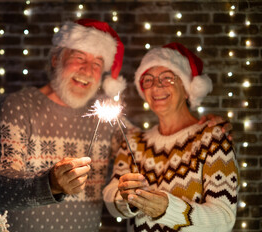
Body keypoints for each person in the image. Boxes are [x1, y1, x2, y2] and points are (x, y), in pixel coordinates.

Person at [0, 18, 128, 232]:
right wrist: (50, 183)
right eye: (79, 57)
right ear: (56, 59)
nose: (87, 70)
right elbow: (1, 191)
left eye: (97, 64)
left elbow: (139, 145)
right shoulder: (19, 106)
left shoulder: (105, 118)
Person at [103, 43, 240, 232]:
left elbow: (224, 220)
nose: (156, 86)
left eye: (167, 78)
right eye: (148, 80)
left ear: (186, 90)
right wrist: (125, 197)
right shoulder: (133, 142)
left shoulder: (213, 138)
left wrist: (168, 209)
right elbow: (111, 199)